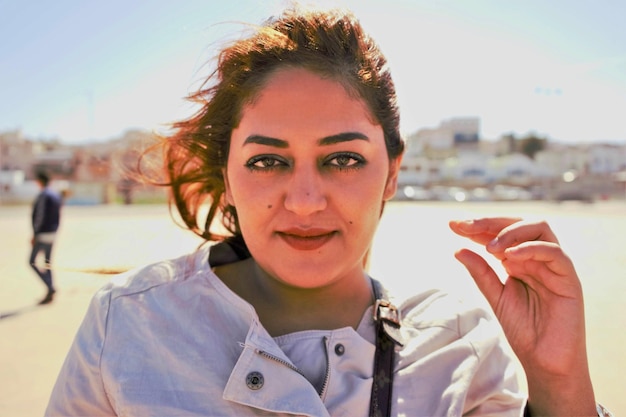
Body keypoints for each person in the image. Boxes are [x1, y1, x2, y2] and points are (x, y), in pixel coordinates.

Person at [45, 6, 609, 416]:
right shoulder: (130, 325)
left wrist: (559, 383)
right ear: (227, 174)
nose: (307, 200)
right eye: (268, 161)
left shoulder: (457, 340)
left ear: (391, 171)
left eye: (342, 159)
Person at [30, 170, 62, 305]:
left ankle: (50, 287)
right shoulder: (55, 195)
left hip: (43, 234)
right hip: (52, 233)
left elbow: (40, 216)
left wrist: (35, 234)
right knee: (47, 263)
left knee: (32, 261)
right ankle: (49, 291)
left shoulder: (44, 195)